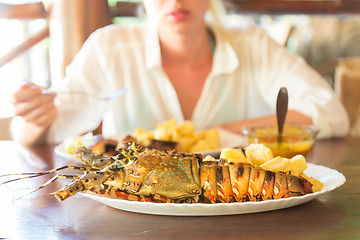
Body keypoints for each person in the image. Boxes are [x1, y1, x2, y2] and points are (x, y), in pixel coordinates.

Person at [11, 0, 349, 147]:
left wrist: (215, 133)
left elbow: (331, 115)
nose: (175, 0)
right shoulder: (109, 49)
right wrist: (33, 115)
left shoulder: (252, 44)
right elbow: (42, 132)